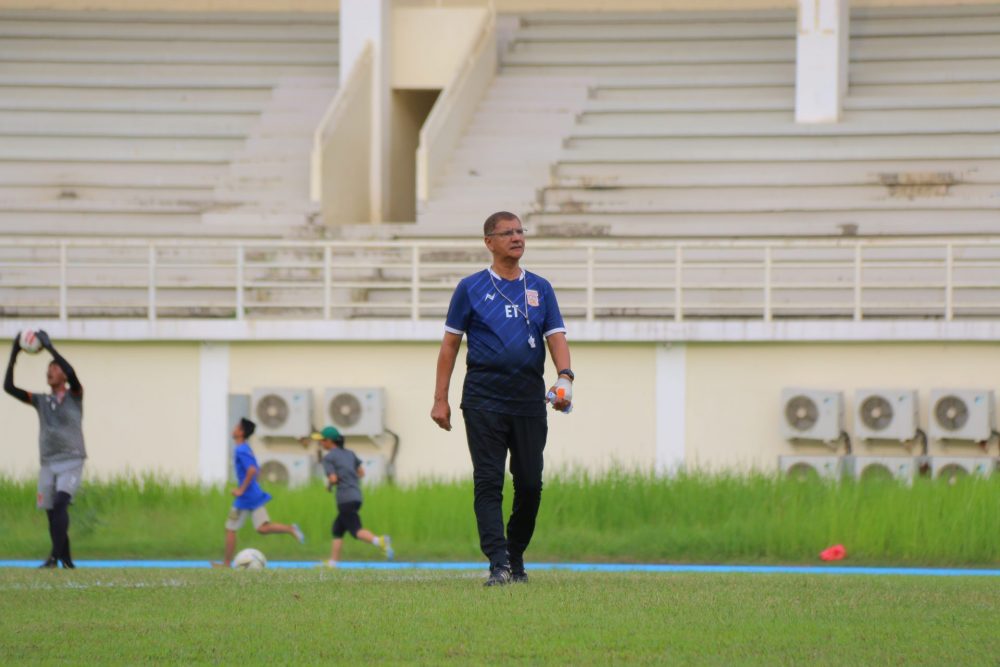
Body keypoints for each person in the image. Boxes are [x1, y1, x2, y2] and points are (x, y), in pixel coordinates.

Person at [431, 211, 574, 586]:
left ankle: (515, 553)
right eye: (507, 233)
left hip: (528, 401)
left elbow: (555, 335)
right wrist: (440, 399)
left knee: (530, 484)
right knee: (488, 482)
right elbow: (450, 345)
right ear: (489, 242)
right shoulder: (471, 287)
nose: (517, 237)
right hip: (483, 400)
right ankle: (498, 562)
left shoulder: (540, 288)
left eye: (520, 231)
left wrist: (565, 377)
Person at [4, 330, 86, 569]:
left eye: (55, 368)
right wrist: (14, 352)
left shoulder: (74, 395)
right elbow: (8, 387)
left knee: (61, 504)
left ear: (63, 375)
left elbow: (73, 375)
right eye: (48, 369)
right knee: (52, 513)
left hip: (71, 459)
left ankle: (53, 557)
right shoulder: (40, 400)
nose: (50, 371)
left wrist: (50, 348)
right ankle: (67, 561)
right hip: (48, 462)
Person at [213, 418, 305, 568]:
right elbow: (256, 469)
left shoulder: (241, 449)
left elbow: (252, 470)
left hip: (245, 497)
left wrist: (241, 489)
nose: (234, 428)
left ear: (241, 432)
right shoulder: (246, 448)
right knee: (262, 528)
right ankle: (290, 528)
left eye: (237, 426)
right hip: (253, 495)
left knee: (230, 528)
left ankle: (226, 564)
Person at [315, 426, 393, 567]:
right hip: (356, 495)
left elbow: (333, 479)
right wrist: (348, 478)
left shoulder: (328, 458)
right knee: (337, 529)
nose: (320, 443)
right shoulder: (350, 453)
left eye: (322, 440)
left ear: (329, 441)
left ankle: (379, 541)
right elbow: (361, 473)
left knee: (356, 530)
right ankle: (333, 562)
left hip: (344, 498)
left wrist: (330, 485)